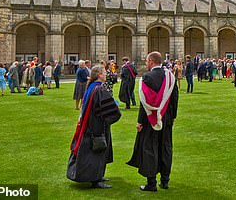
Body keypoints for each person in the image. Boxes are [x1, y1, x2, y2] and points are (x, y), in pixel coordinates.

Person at [127, 52, 179, 191]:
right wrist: (173, 116)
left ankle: (151, 183)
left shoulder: (146, 77)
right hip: (166, 118)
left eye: (146, 61)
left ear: (151, 61)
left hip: (151, 119)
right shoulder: (170, 76)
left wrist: (140, 121)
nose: (146, 63)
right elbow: (174, 98)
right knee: (166, 148)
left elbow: (144, 103)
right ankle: (165, 180)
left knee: (150, 148)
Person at [67, 65, 122, 189]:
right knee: (96, 152)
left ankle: (98, 176)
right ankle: (95, 180)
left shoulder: (92, 87)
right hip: (96, 125)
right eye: (103, 73)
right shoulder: (99, 89)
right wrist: (115, 111)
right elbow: (110, 109)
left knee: (95, 151)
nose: (105, 75)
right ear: (99, 75)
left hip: (90, 123)